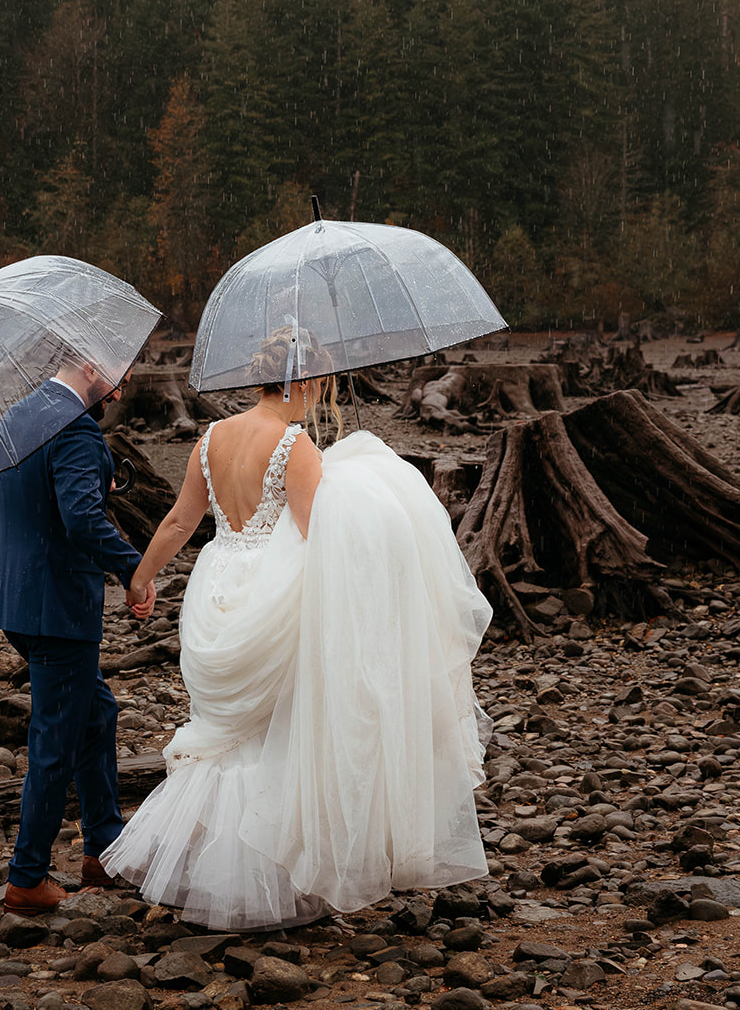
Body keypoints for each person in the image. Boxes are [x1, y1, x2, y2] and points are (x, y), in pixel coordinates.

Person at [101, 331, 492, 929]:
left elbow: (181, 520)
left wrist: (140, 579)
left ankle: (215, 872)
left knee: (226, 733)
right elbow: (318, 536)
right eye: (321, 385)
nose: (320, 398)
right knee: (281, 728)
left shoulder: (212, 437)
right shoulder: (293, 443)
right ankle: (272, 880)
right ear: (304, 382)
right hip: (275, 588)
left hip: (217, 586)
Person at [0, 356, 154, 915]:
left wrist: (87, 481)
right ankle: (26, 878)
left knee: (95, 713)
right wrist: (136, 571)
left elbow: (32, 500)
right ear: (88, 364)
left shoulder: (16, 416)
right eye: (122, 371)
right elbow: (81, 518)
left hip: (16, 597)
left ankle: (104, 845)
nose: (127, 384)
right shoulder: (76, 427)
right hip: (59, 606)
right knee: (54, 742)